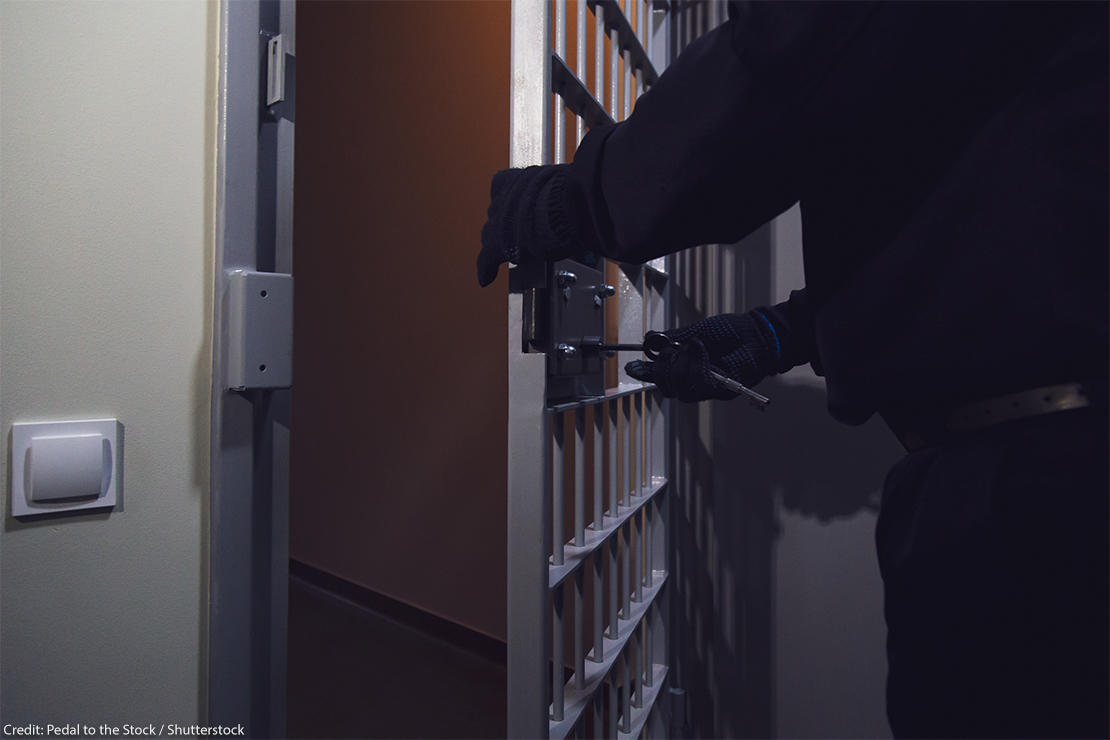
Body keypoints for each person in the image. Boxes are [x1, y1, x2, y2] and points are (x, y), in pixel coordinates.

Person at [476, 2, 1109, 737]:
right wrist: (782, 332)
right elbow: (998, 197)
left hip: (1048, 506)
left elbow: (791, 60)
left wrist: (571, 202)